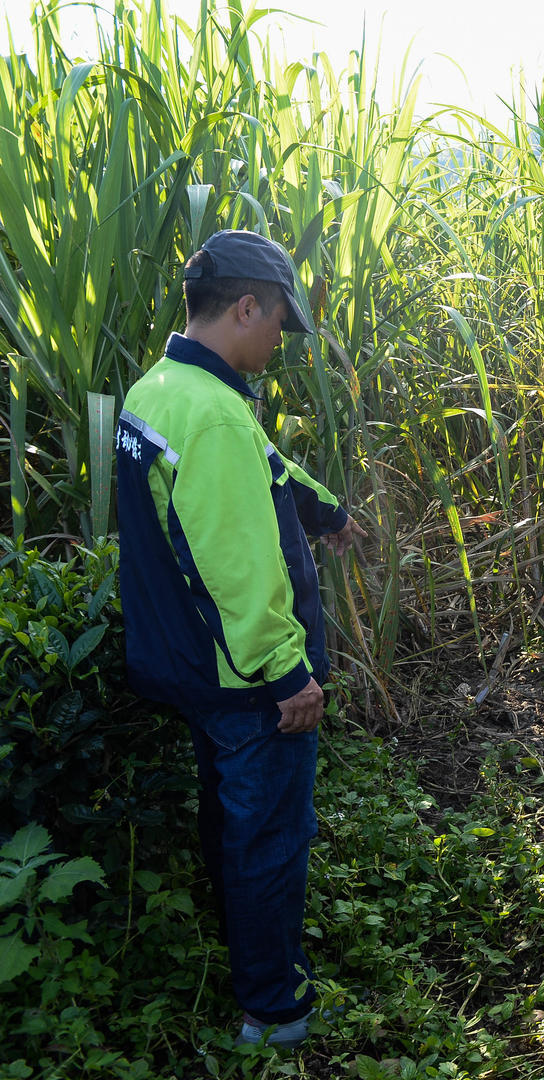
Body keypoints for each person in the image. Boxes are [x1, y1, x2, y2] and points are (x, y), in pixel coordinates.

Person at [114, 229, 367, 1048]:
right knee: (267, 835)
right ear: (245, 306)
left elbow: (265, 471)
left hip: (190, 664)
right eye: (275, 325)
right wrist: (287, 676)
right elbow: (236, 566)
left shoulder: (161, 390)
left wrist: (322, 510)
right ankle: (275, 1011)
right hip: (246, 678)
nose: (277, 344)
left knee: (235, 821)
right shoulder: (215, 415)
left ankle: (251, 964)